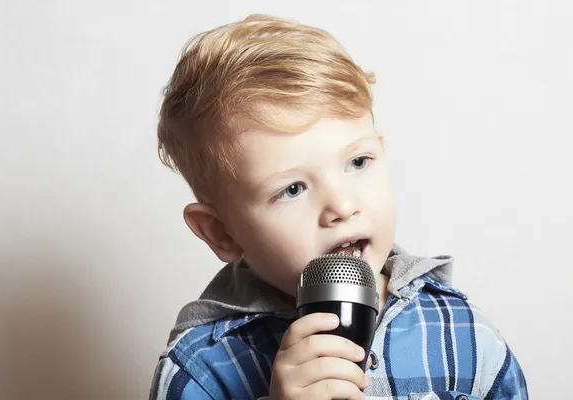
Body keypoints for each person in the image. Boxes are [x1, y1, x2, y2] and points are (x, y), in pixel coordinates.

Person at [148, 14, 528, 400]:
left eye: (358, 163)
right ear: (221, 232)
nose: (342, 206)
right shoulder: (200, 368)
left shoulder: (462, 332)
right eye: (293, 189)